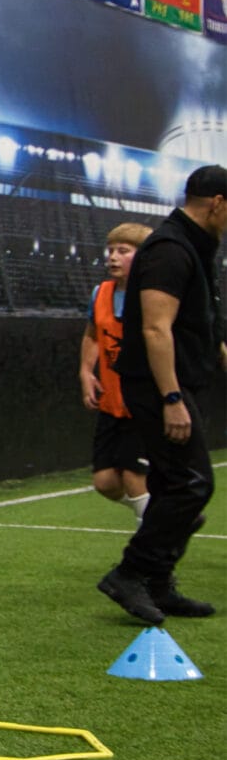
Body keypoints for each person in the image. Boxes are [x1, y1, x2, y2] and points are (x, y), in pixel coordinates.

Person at [97, 166, 227, 627]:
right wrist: (171, 398)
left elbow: (195, 322)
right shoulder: (171, 248)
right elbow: (155, 328)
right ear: (217, 203)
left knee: (175, 484)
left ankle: (157, 583)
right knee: (192, 484)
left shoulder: (193, 245)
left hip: (172, 382)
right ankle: (131, 573)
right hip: (158, 386)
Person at [80, 223, 151, 519]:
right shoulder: (101, 293)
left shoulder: (154, 295)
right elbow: (92, 334)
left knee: (134, 477)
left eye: (123, 251)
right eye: (110, 250)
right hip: (112, 402)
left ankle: (151, 544)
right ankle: (166, 516)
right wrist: (86, 372)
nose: (113, 257)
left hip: (144, 403)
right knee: (105, 482)